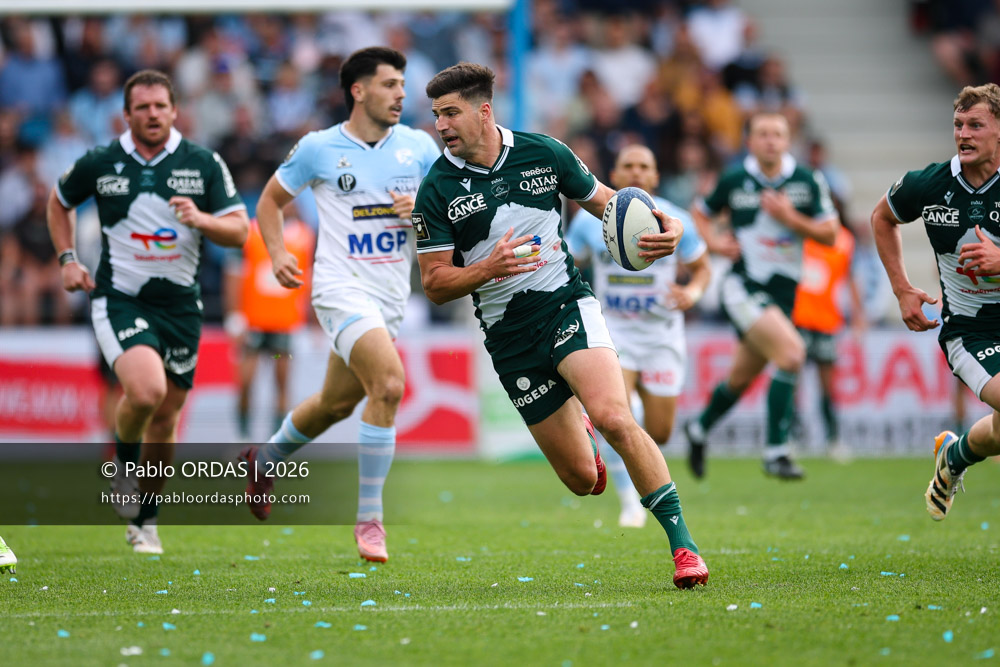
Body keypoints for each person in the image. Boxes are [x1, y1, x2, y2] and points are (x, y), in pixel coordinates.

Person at [414, 62, 708, 588]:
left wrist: (669, 225)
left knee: (616, 416)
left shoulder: (545, 153)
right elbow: (435, 283)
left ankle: (683, 547)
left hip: (566, 305)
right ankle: (583, 434)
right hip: (508, 337)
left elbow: (609, 204)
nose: (441, 125)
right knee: (580, 479)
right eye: (437, 114)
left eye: (450, 112)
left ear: (483, 111)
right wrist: (487, 268)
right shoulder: (436, 188)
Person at [239, 47, 439, 564]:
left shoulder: (419, 147)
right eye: (390, 84)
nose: (401, 94)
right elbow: (269, 202)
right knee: (388, 385)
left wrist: (422, 211)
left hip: (389, 297)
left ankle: (263, 459)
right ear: (358, 90)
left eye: (402, 84)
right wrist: (278, 253)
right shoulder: (319, 148)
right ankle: (370, 518)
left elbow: (448, 214)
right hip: (338, 289)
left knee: (335, 404)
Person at [48, 69, 249, 554]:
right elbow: (58, 202)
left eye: (160, 105)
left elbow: (240, 230)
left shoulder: (202, 162)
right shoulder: (102, 162)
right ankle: (122, 467)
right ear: (127, 114)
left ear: (175, 110)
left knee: (166, 417)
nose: (153, 114)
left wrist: (201, 219)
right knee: (146, 391)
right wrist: (68, 259)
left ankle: (146, 519)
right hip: (120, 298)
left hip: (181, 307)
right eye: (143, 107)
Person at [683, 112, 839, 480]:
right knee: (792, 353)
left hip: (783, 294)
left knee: (740, 378)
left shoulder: (807, 180)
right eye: (763, 134)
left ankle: (698, 429)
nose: (770, 140)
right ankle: (776, 451)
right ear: (749, 142)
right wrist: (714, 244)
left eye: (777, 134)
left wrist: (790, 218)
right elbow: (699, 214)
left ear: (788, 140)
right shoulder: (735, 179)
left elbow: (831, 234)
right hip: (742, 287)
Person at [870, 83, 1000, 521]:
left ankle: (954, 455)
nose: (963, 134)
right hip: (971, 332)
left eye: (976, 125)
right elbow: (882, 217)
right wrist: (902, 288)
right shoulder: (930, 184)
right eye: (958, 125)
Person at [565, 144, 710, 528]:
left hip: (662, 335)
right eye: (628, 165)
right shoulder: (589, 221)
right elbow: (568, 262)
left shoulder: (677, 220)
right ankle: (630, 503)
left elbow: (702, 268)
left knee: (658, 431)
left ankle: (639, 432)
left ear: (656, 176)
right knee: (616, 417)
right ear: (614, 174)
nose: (636, 172)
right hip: (615, 332)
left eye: (644, 166)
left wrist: (692, 293)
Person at [223, 203, 315, 442]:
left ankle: (276, 441)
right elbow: (233, 273)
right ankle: (243, 435)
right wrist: (234, 315)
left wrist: (311, 322)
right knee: (246, 381)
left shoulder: (305, 235)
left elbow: (311, 278)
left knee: (282, 381)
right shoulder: (250, 231)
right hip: (253, 323)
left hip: (286, 324)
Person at [791, 223, 866, 459]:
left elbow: (851, 278)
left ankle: (832, 439)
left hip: (827, 321)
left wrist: (858, 316)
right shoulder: (800, 230)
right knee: (792, 382)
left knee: (827, 386)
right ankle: (792, 437)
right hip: (798, 317)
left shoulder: (844, 240)